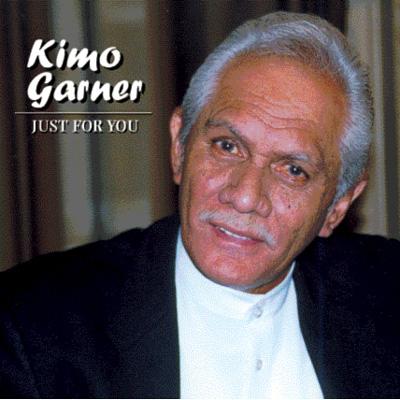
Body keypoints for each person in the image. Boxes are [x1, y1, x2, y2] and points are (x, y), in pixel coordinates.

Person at [0, 11, 399, 398]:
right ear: (180, 146)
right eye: (227, 146)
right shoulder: (33, 327)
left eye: (293, 170)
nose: (244, 196)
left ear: (338, 205)